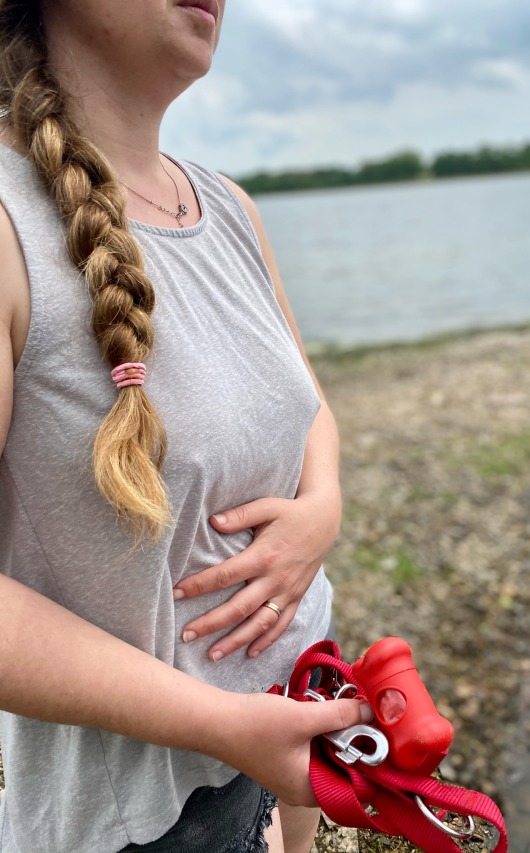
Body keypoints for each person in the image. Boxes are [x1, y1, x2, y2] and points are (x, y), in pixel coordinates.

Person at [0, 1, 370, 851]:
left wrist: (324, 507)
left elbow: (306, 402)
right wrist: (221, 723)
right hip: (148, 819)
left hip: (293, 718)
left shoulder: (228, 205)